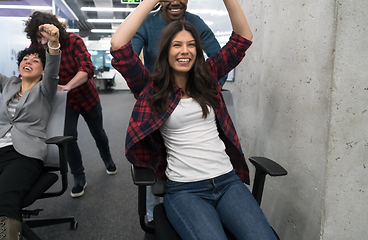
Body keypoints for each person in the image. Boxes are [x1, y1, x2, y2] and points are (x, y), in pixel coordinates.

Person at [110, 0, 277, 239]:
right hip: (185, 190)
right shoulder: (151, 88)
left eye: (191, 45)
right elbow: (119, 46)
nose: (185, 51)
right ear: (166, 51)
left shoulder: (207, 78)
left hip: (227, 181)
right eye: (176, 45)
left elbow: (242, 38)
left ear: (197, 51)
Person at [131, 0, 229, 224]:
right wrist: (147, 91)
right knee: (153, 161)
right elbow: (129, 55)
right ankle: (151, 215)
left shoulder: (195, 22)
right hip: (157, 101)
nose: (176, 1)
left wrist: (210, 89)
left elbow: (219, 59)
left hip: (188, 98)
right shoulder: (147, 23)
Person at [24, 11, 117, 198]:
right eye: (37, 38)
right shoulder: (36, 45)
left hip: (86, 95)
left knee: (98, 132)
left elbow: (87, 68)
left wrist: (68, 86)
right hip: (64, 101)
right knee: (68, 138)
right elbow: (30, 68)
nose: (41, 42)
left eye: (43, 37)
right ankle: (79, 177)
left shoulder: (73, 41)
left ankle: (107, 160)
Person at [0, 24, 61, 240]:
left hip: (24, 154)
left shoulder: (46, 88)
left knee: (5, 200)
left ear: (43, 71)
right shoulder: (8, 84)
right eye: (25, 59)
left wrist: (53, 43)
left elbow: (53, 65)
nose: (29, 61)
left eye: (35, 61)